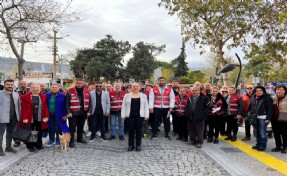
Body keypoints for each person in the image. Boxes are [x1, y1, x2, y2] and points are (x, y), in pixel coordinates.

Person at [20, 83, 49, 152]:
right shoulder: (25, 97)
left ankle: (39, 145)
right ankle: (31, 146)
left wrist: (46, 116)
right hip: (30, 118)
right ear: (30, 88)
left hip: (40, 117)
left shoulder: (43, 96)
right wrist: (24, 118)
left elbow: (45, 108)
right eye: (34, 88)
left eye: (37, 88)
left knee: (39, 132)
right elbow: (23, 108)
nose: (35, 89)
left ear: (40, 88)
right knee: (30, 132)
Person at [121, 83, 149, 151]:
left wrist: (146, 115)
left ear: (139, 87)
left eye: (137, 86)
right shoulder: (127, 95)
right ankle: (131, 145)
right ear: (131, 88)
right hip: (130, 116)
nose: (135, 87)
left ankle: (138, 145)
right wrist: (123, 115)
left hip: (140, 116)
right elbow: (123, 105)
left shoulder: (143, 95)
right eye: (134, 86)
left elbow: (146, 106)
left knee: (139, 131)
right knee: (131, 131)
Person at [66, 79, 90, 147]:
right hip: (73, 112)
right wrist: (68, 112)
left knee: (81, 126)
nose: (79, 84)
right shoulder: (70, 90)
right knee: (72, 127)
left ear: (83, 84)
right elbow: (67, 103)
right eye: (78, 83)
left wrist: (89, 111)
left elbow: (89, 102)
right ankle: (71, 141)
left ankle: (80, 138)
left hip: (83, 112)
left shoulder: (87, 91)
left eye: (81, 83)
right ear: (75, 83)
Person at [248, 86, 273, 151]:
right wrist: (247, 115)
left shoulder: (267, 98)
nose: (258, 92)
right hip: (254, 117)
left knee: (262, 132)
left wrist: (268, 118)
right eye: (257, 91)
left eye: (260, 90)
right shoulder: (253, 98)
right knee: (256, 132)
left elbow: (270, 109)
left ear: (263, 91)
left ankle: (262, 146)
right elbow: (250, 107)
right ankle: (258, 144)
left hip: (263, 117)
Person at [0, 79, 21, 156]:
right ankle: (0, 149)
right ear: (4, 85)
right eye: (8, 84)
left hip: (14, 117)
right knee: (0, 134)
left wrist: (19, 115)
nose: (10, 86)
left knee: (10, 132)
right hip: (2, 117)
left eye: (11, 85)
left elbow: (19, 106)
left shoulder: (16, 94)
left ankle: (8, 147)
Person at [271, 85, 287, 154]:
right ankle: (278, 146)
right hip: (275, 119)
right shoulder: (273, 98)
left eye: (281, 90)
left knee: (285, 134)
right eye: (277, 90)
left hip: (285, 119)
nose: (279, 91)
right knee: (276, 133)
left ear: (285, 91)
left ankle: (285, 147)